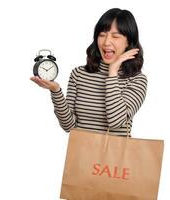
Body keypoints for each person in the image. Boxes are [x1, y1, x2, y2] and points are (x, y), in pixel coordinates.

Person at [30, 8, 147, 136]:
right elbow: (69, 126)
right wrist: (56, 91)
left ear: (129, 42)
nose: (107, 42)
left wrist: (112, 71)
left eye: (115, 36)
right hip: (80, 154)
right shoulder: (79, 74)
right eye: (102, 35)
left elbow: (116, 121)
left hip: (114, 156)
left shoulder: (137, 80)